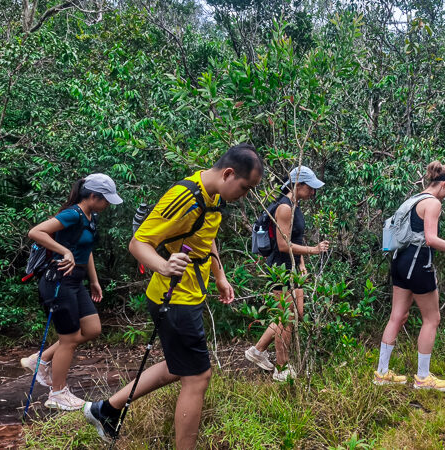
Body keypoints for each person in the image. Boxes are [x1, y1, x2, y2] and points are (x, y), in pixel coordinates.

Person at [83, 144, 263, 449]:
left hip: (189, 293)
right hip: (173, 298)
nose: (244, 195)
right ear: (228, 174)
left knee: (178, 366)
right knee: (198, 377)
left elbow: (204, 236)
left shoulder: (213, 195)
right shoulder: (184, 196)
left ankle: (106, 410)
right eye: (245, 188)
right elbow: (138, 243)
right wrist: (164, 266)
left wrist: (219, 276)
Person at [373, 161, 445, 392]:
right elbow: (431, 239)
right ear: (444, 184)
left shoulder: (413, 199)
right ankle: (423, 378)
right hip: (418, 263)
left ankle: (382, 373)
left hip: (399, 261)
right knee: (432, 319)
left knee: (396, 316)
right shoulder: (433, 203)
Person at [21, 173, 123, 410]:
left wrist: (94, 281)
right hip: (58, 280)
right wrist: (64, 251)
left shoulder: (91, 217)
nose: (108, 205)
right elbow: (36, 232)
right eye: (106, 200)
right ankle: (57, 393)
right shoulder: (72, 214)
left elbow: (86, 250)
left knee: (92, 329)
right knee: (68, 339)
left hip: (76, 281)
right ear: (93, 196)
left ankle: (41, 360)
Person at [244, 166, 330, 381]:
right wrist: (313, 250)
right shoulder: (284, 208)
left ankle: (258, 350)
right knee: (286, 319)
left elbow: (295, 239)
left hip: (292, 267)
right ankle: (281, 369)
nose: (313, 192)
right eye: (310, 188)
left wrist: (301, 263)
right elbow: (283, 245)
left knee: (296, 313)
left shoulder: (295, 205)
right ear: (298, 185)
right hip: (280, 268)